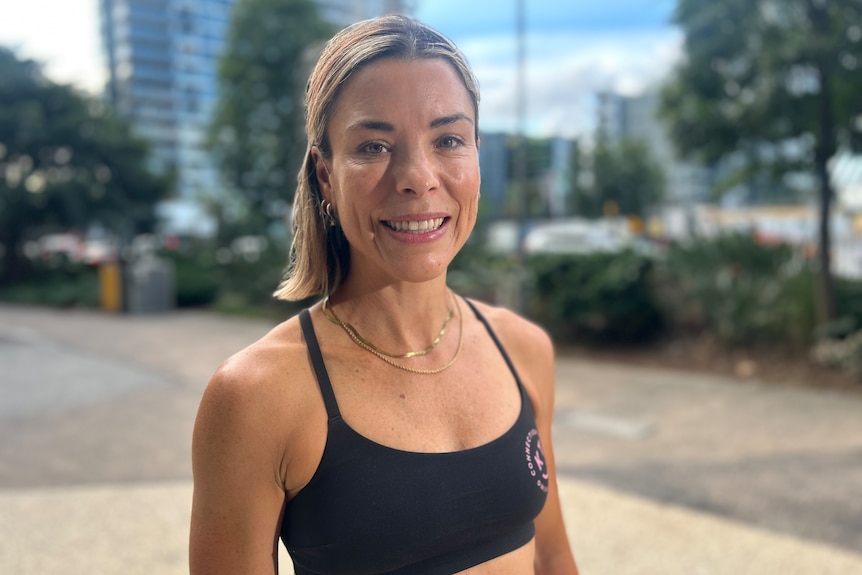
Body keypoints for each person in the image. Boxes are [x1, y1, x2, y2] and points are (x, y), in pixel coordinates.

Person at [190, 14, 579, 575]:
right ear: (325, 175)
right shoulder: (258, 396)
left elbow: (552, 554)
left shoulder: (523, 349)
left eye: (448, 140)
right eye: (373, 146)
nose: (417, 177)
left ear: (476, 154)